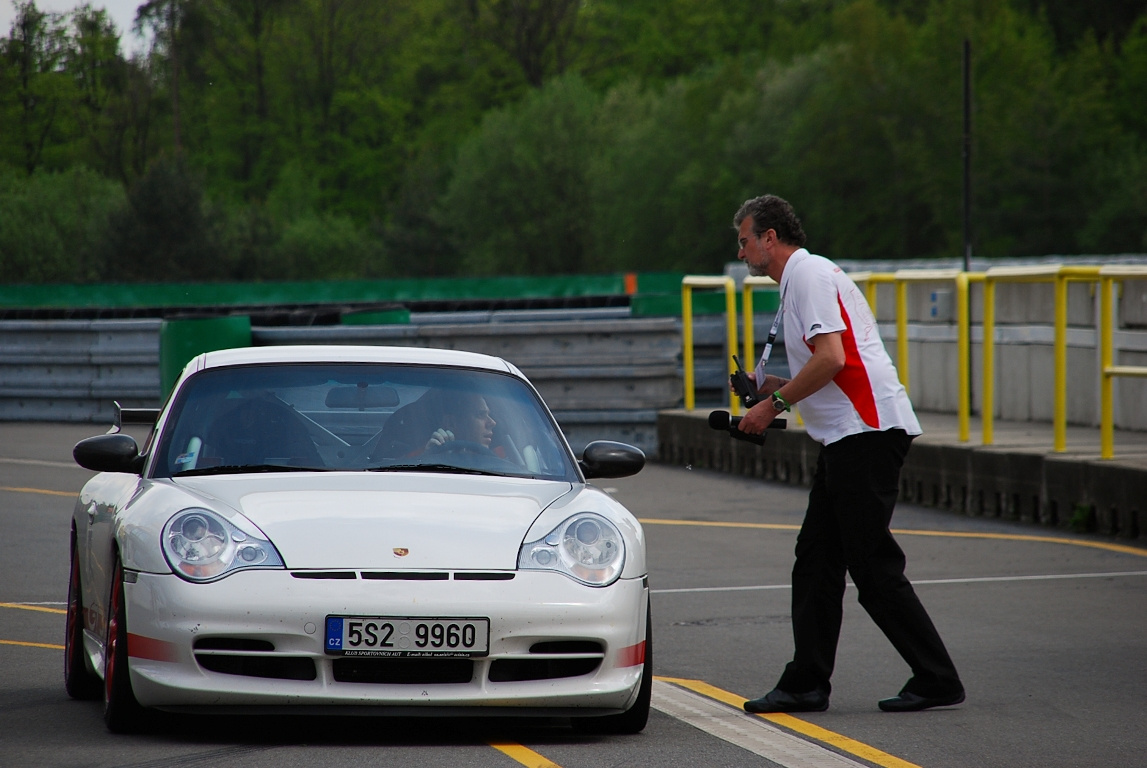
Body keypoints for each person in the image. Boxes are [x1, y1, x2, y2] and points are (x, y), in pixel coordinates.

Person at [731, 194, 964, 714]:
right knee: (816, 561)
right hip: (849, 436)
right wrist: (769, 384)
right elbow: (834, 362)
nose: (741, 250)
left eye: (744, 239)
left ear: (770, 238)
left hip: (867, 432)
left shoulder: (808, 276)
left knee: (872, 566)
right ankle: (806, 682)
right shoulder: (802, 280)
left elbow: (833, 358)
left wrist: (773, 405)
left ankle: (937, 677)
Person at [423, 392, 497, 453]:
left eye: (488, 415)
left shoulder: (501, 465)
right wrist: (431, 460)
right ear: (451, 423)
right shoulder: (417, 462)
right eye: (481, 414)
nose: (492, 422)